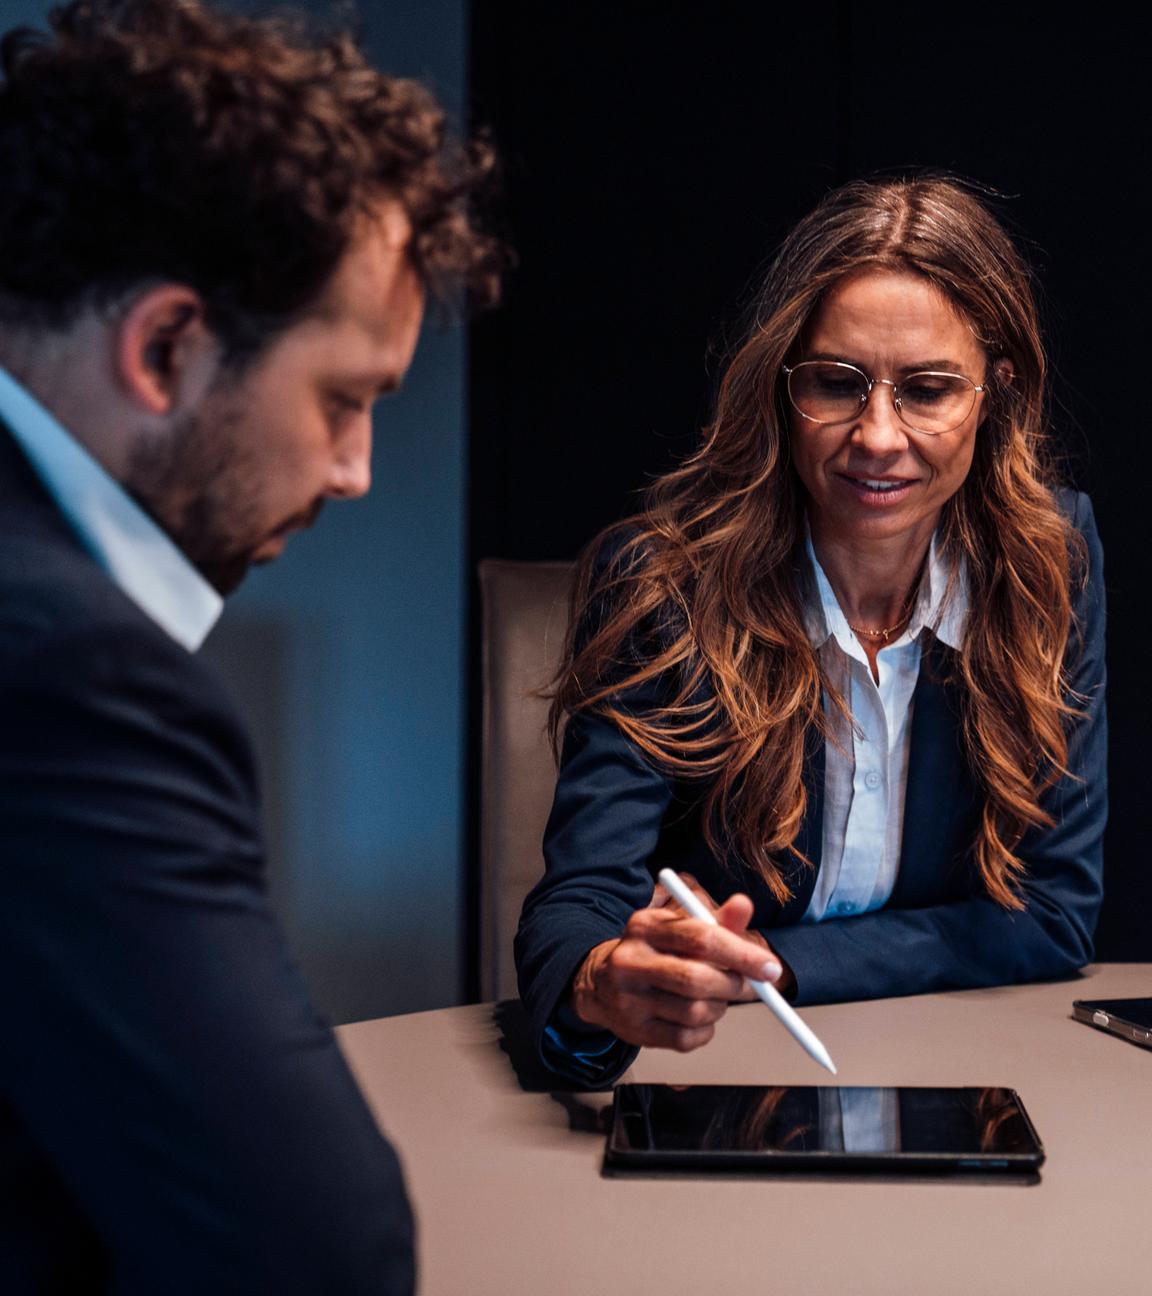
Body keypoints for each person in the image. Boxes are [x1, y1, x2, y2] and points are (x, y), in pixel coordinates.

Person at [0, 1, 503, 1290]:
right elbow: (316, 1256)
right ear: (167, 346)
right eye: (344, 400)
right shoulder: (71, 675)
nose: (356, 473)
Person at [516, 176, 1106, 1085]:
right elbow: (578, 908)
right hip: (707, 1077)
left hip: (956, 1070)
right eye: (836, 384)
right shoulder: (663, 582)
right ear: (779, 389)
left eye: (928, 389)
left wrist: (779, 968)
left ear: (996, 394)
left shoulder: (1048, 566)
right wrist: (605, 983)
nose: (876, 436)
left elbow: (1052, 910)